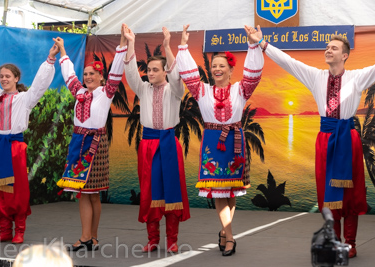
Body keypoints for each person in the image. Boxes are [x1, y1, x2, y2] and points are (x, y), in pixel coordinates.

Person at [245, 24, 371, 258]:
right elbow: (288, 62)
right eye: (327, 47)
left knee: (351, 192)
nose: (328, 50)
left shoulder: (357, 77)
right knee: (327, 192)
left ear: (345, 55)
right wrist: (262, 44)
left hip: (347, 138)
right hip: (325, 139)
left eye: (333, 48)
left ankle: (351, 243)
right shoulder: (316, 76)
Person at [176, 25, 264, 256]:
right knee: (218, 192)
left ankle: (225, 233)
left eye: (221, 66)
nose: (216, 69)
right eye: (214, 65)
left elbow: (254, 73)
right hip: (213, 145)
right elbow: (188, 73)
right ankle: (230, 236)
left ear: (230, 69)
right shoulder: (201, 90)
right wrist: (183, 46)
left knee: (230, 191)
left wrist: (254, 44)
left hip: (234, 142)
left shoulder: (241, 90)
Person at [0, 40, 58, 244]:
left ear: (16, 78)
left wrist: (50, 59)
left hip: (14, 149)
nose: (3, 79)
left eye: (7, 76)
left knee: (17, 191)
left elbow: (40, 84)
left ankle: (19, 230)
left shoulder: (25, 99)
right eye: (1, 76)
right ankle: (5, 231)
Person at [54, 25, 127, 251]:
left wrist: (123, 46)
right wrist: (63, 50)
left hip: (95, 144)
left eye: (92, 74)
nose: (87, 77)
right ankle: (91, 237)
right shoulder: (79, 92)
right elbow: (68, 73)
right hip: (78, 143)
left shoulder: (105, 92)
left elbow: (116, 71)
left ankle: (87, 236)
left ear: (100, 76)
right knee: (86, 193)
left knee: (90, 194)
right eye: (85, 74)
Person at [123, 24, 190, 253]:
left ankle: (172, 240)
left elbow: (177, 72)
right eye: (149, 70)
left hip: (169, 144)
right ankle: (152, 240)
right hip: (148, 145)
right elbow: (131, 73)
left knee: (172, 191)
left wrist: (168, 46)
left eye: (154, 69)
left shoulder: (175, 90)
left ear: (164, 72)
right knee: (150, 192)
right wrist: (131, 43)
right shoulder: (143, 90)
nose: (149, 73)